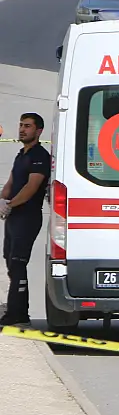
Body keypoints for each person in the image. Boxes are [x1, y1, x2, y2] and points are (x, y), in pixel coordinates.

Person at [0, 113, 51, 326]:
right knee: (10, 261)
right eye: (21, 125)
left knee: (19, 263)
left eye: (27, 126)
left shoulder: (40, 156)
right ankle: (16, 309)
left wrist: (10, 205)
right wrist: (2, 199)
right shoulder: (21, 154)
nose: (22, 130)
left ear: (38, 131)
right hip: (13, 217)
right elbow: (12, 182)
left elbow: (31, 187)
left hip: (27, 217)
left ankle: (18, 314)